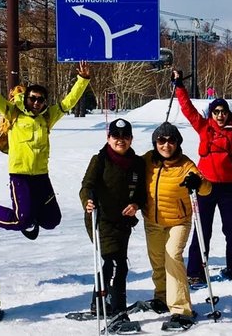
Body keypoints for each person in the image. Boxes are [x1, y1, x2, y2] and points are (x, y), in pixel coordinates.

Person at [0, 53, 91, 239]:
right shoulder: (14, 113)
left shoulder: (47, 116)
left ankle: (29, 215)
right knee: (21, 221)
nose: (36, 102)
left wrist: (82, 80)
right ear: (26, 98)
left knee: (52, 220)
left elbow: (68, 102)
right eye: (33, 98)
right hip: (20, 176)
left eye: (40, 99)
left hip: (41, 176)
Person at [172, 69, 232, 284]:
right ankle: (195, 271)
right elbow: (188, 110)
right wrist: (179, 86)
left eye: (223, 111)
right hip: (205, 186)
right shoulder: (203, 128)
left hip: (228, 187)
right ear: (211, 114)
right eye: (216, 111)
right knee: (202, 230)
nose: (220, 115)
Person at [140, 122, 212, 330]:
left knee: (172, 256)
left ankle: (181, 309)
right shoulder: (147, 160)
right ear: (155, 143)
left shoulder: (186, 165)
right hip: (152, 221)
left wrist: (197, 184)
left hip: (179, 221)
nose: (166, 145)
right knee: (157, 260)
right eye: (161, 141)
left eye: (171, 140)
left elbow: (206, 188)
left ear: (178, 143)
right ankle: (162, 297)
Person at [80, 118, 147, 333]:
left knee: (111, 262)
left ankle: (98, 303)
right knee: (118, 263)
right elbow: (86, 186)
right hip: (100, 219)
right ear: (108, 138)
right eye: (116, 137)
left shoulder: (136, 163)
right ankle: (118, 311)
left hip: (123, 222)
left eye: (125, 137)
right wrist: (87, 201)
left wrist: (136, 204)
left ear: (131, 139)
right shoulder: (99, 160)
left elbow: (142, 193)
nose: (121, 141)